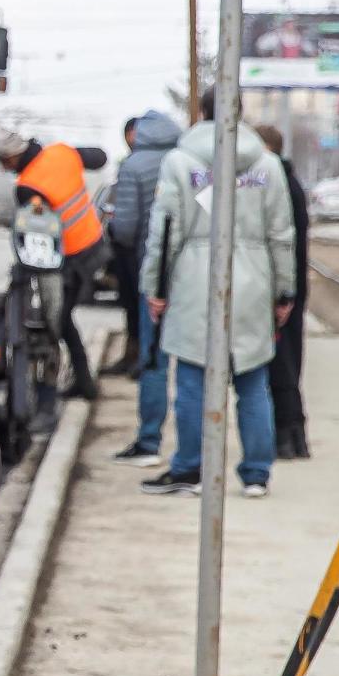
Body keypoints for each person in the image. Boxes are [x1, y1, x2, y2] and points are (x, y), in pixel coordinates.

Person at [139, 113, 296, 498]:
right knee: (253, 381)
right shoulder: (267, 165)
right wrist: (284, 291)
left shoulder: (180, 161)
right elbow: (282, 233)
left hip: (194, 280)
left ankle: (190, 467)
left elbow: (164, 231)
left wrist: (154, 288)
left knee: (193, 382)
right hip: (253, 280)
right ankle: (257, 474)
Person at [102, 111, 184, 462]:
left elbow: (125, 228)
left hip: (152, 273)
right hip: (193, 276)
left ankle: (149, 441)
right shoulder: (187, 161)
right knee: (194, 366)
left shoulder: (134, 166)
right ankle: (194, 452)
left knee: (154, 360)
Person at [1, 136, 109, 401]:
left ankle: (82, 383)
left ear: (13, 158)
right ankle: (82, 381)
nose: (6, 168)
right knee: (64, 319)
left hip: (70, 258)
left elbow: (38, 237)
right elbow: (100, 157)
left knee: (59, 320)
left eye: (5, 163)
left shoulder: (28, 186)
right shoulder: (61, 152)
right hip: (94, 245)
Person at [253, 125, 312, 461]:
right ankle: (293, 435)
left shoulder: (280, 183)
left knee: (281, 364)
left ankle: (289, 435)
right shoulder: (290, 182)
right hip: (290, 285)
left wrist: (283, 291)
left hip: (283, 287)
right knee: (286, 361)